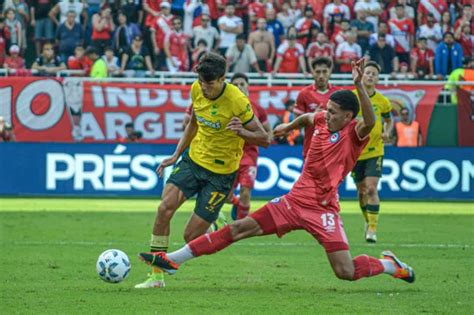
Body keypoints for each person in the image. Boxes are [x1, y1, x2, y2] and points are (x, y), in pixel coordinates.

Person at [137, 59, 415, 287]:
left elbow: (370, 119)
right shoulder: (320, 118)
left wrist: (357, 85)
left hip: (323, 210)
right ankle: (172, 260)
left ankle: (390, 266)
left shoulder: (355, 134)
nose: (326, 115)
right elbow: (308, 118)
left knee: (345, 271)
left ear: (347, 117)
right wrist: (288, 127)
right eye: (327, 109)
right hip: (293, 203)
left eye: (333, 113)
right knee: (237, 228)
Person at [134, 52, 270, 289]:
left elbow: (264, 138)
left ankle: (214, 223)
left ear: (222, 79)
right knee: (164, 208)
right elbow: (194, 125)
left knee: (190, 237)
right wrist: (176, 154)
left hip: (221, 174)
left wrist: (243, 133)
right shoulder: (196, 88)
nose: (204, 87)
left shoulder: (237, 101)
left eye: (209, 83)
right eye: (201, 81)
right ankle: (156, 277)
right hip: (193, 161)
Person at [351, 61, 392, 243]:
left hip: (375, 150)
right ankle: (368, 221)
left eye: (373, 74)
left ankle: (373, 230)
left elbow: (389, 120)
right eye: (367, 72)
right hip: (355, 152)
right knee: (361, 192)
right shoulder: (352, 97)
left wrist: (387, 132)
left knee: (371, 188)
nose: (370, 76)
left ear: (377, 78)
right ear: (362, 74)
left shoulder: (383, 101)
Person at [227, 72, 273, 220]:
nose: (239, 87)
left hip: (249, 157)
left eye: (242, 84)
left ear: (248, 86)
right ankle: (236, 203)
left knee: (245, 191)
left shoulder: (257, 109)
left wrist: (266, 139)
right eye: (235, 85)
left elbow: (268, 132)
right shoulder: (225, 107)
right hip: (229, 155)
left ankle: (239, 227)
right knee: (225, 196)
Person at [294, 56, 339, 160]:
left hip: (334, 149)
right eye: (318, 72)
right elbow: (296, 126)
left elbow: (346, 123)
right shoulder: (304, 94)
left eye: (324, 71)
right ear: (312, 73)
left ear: (329, 72)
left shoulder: (338, 93)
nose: (321, 75)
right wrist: (312, 117)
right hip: (311, 149)